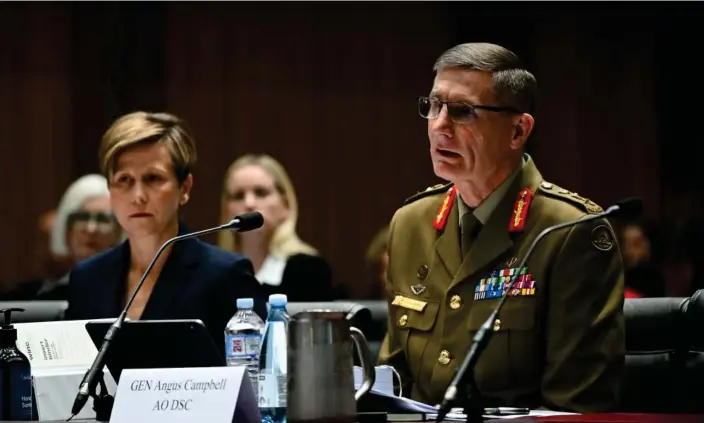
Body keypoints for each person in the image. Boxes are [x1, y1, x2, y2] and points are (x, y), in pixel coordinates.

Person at [377, 43, 625, 413]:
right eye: (433, 106)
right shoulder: (411, 224)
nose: (439, 127)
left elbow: (577, 407)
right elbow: (393, 385)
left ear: (517, 131)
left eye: (462, 112)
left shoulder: (569, 232)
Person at [64, 112, 267, 348]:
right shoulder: (88, 279)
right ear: (110, 189)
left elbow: (257, 376)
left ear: (185, 188)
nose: (138, 196)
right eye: (125, 180)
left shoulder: (224, 276)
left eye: (153, 178)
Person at [218, 154, 336, 302]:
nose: (249, 203)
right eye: (238, 196)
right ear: (226, 210)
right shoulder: (216, 273)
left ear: (286, 205)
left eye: (261, 192)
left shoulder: (310, 271)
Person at [6, 175, 123, 300]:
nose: (91, 229)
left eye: (102, 219)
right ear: (66, 228)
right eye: (82, 217)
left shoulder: (131, 296)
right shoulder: (34, 297)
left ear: (119, 230)